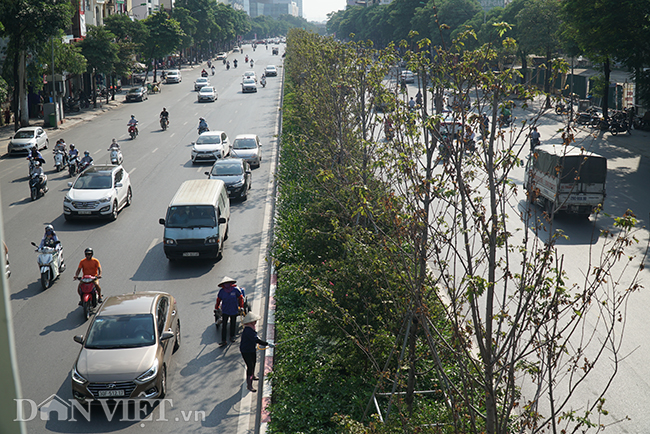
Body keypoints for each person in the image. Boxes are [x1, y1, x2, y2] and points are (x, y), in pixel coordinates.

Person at [239, 311, 270, 392]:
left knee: (254, 362)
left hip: (251, 349)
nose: (255, 322)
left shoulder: (251, 328)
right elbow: (256, 340)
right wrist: (267, 344)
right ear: (250, 322)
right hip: (246, 350)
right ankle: (249, 385)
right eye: (254, 321)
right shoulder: (248, 330)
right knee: (250, 366)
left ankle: (253, 376)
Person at [215, 276, 244, 346]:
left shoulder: (235, 290)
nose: (227, 285)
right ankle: (223, 340)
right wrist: (216, 308)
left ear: (231, 283)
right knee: (224, 326)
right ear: (223, 285)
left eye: (228, 283)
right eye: (225, 284)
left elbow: (240, 298)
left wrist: (242, 307)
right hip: (225, 310)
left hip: (234, 309)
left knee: (232, 324)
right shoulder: (222, 291)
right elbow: (218, 300)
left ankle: (232, 336)